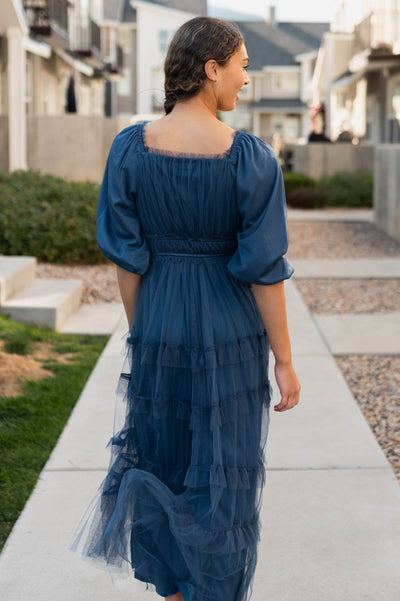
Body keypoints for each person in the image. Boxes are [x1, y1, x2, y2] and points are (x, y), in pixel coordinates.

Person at [69, 15, 300, 601]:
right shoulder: (251, 159)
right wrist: (285, 360)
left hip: (161, 321)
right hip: (229, 328)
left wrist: (145, 333)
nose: (247, 79)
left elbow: (128, 260)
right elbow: (264, 271)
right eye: (243, 65)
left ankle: (174, 594)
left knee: (164, 462)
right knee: (222, 478)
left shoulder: (130, 148)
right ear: (211, 68)